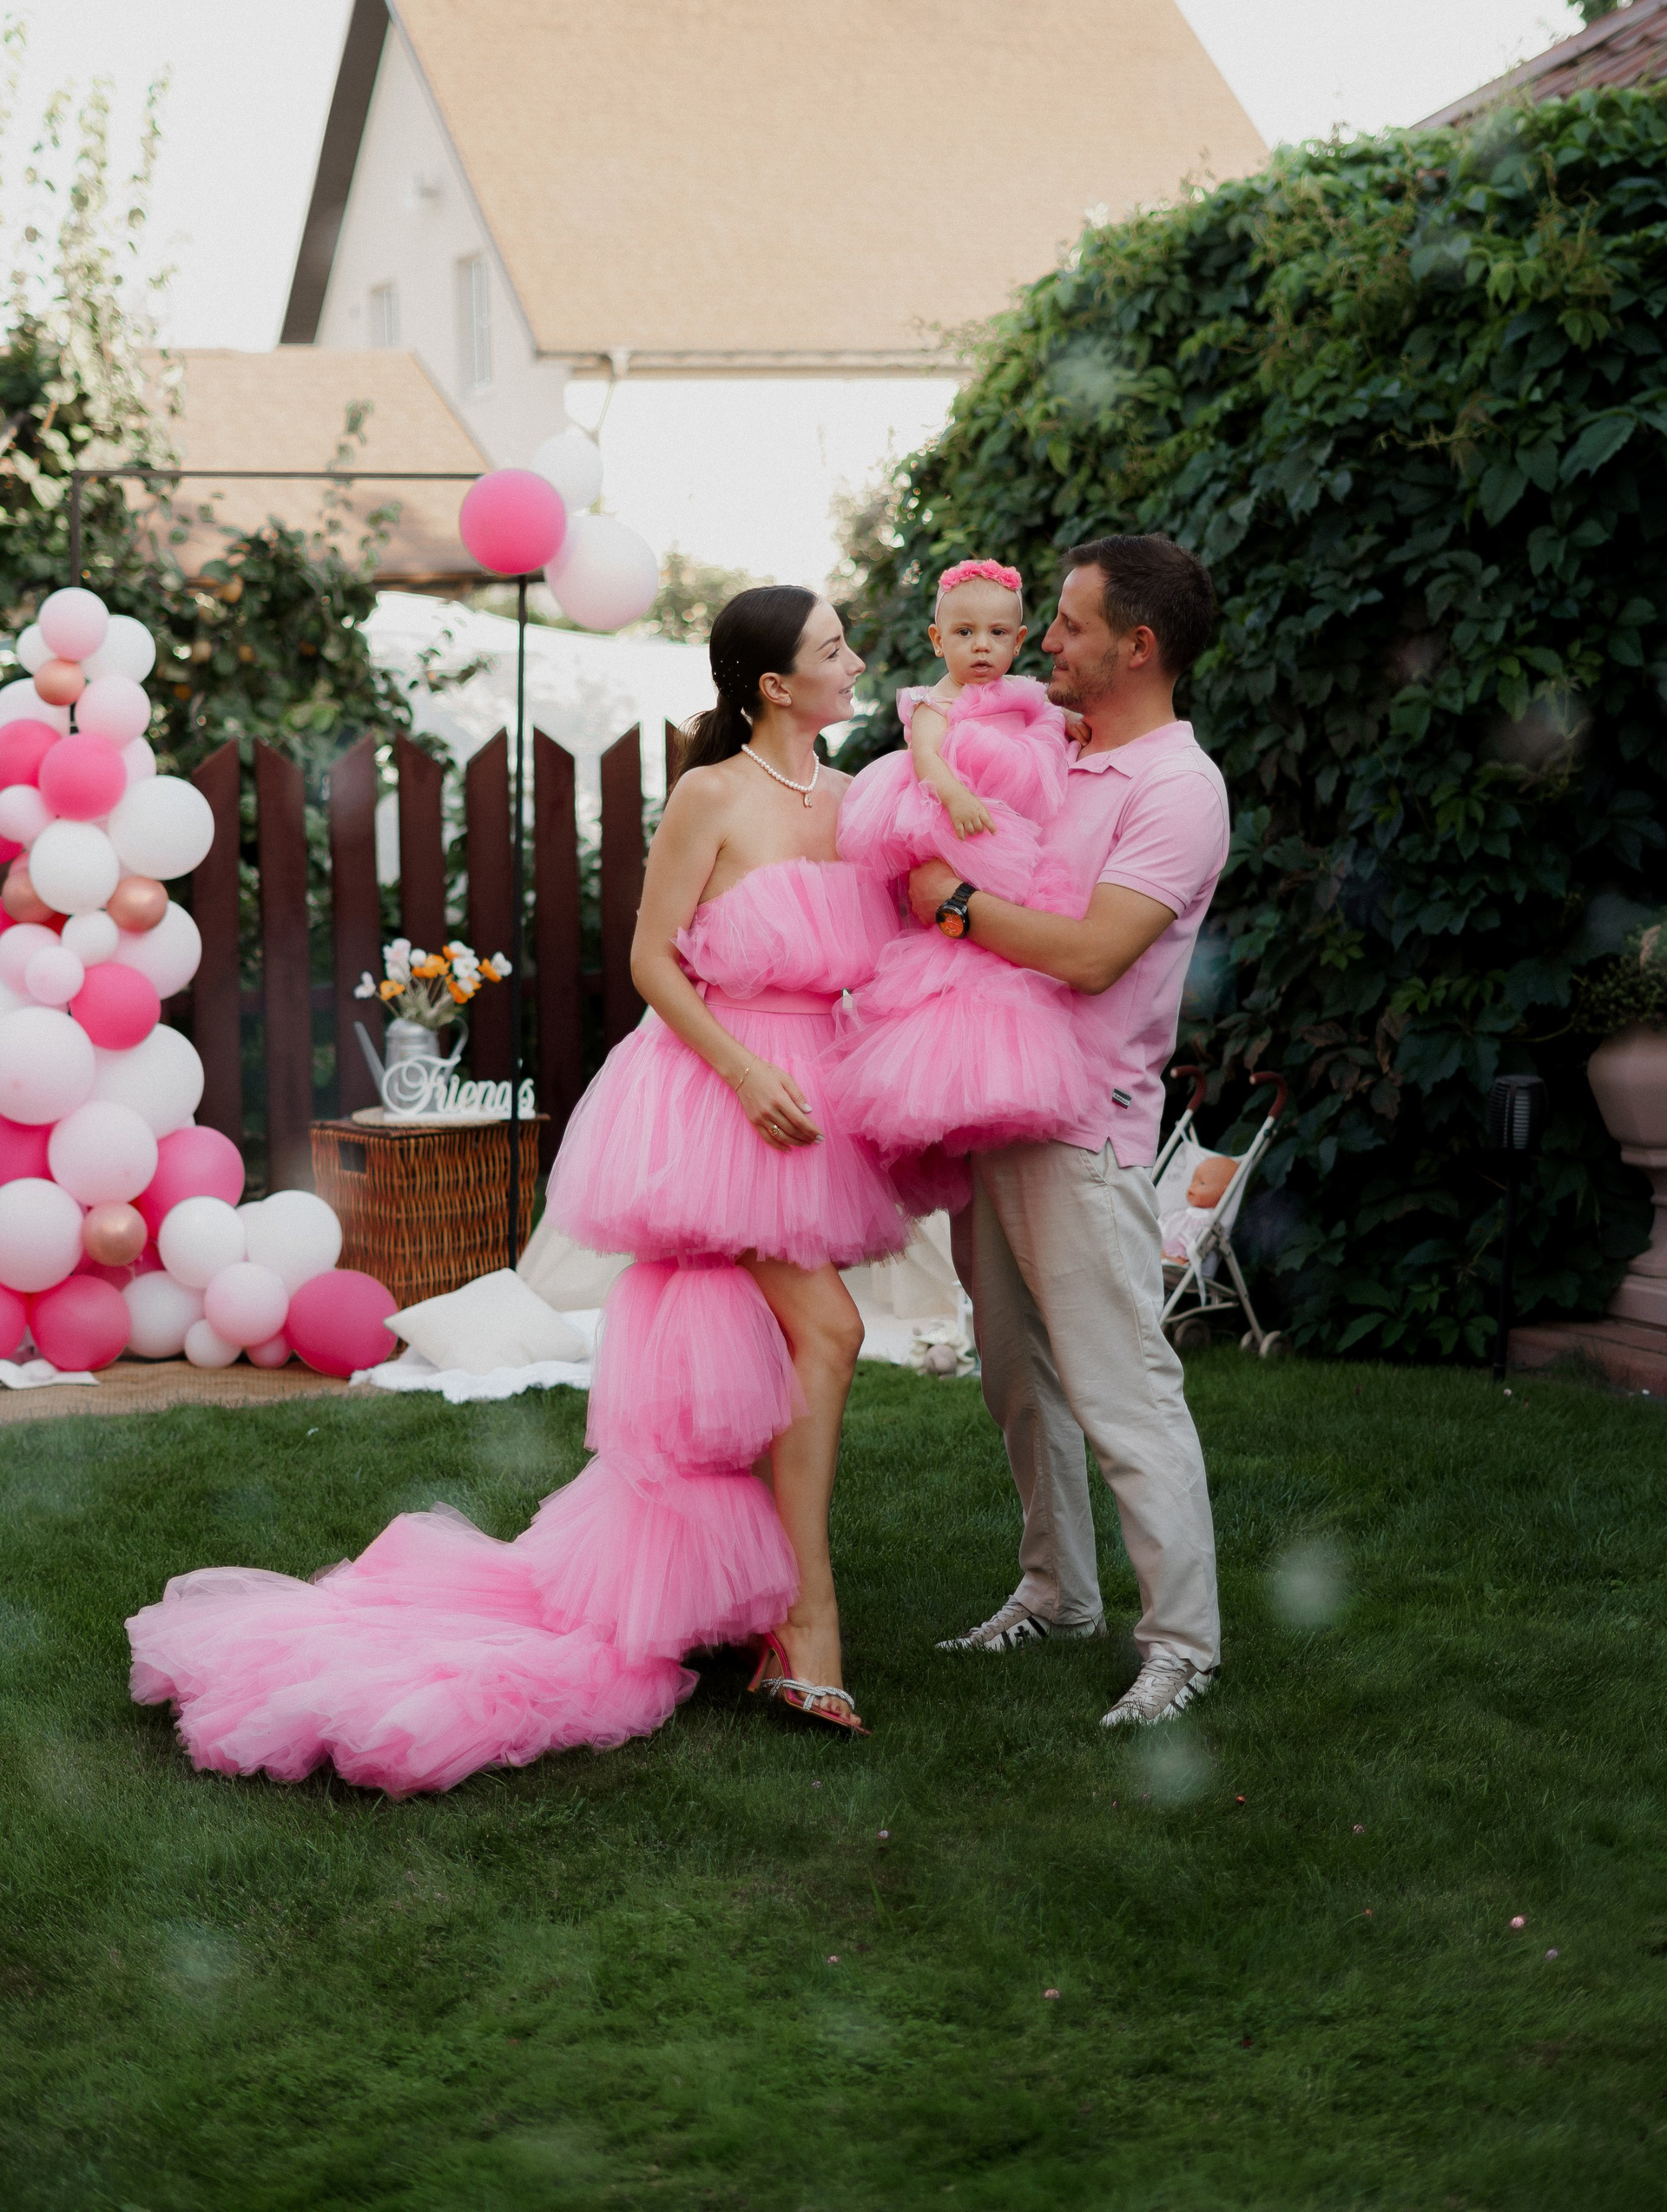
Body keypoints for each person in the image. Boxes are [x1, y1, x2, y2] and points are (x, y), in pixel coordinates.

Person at [127, 588, 907, 1791]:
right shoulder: (711, 795)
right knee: (832, 1331)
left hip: (819, 1094)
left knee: (776, 1354)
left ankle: (755, 1598)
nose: (855, 663)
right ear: (773, 685)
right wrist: (748, 1074)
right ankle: (809, 1618)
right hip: (723, 1091)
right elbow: (652, 961)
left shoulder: (855, 800)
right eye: (833, 649)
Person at [908, 535, 1231, 1730]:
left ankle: (1183, 1646)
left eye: (1070, 625)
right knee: (1017, 1379)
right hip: (993, 1101)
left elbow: (1094, 954)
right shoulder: (1062, 742)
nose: (1043, 641)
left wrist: (950, 904)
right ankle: (1057, 1595)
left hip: (1087, 1123)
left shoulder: (1177, 789)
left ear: (1137, 647)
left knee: (1121, 1390)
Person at [825, 560, 1090, 1172]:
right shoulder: (935, 702)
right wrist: (954, 795)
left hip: (1011, 831)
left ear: (1019, 641)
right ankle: (946, 1076)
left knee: (1007, 954)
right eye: (965, 633)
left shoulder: (1024, 692)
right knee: (952, 955)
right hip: (958, 818)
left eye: (997, 634)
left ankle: (1001, 1072)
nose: (981, 646)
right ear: (937, 639)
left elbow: (1051, 718)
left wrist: (1071, 723)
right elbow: (926, 757)